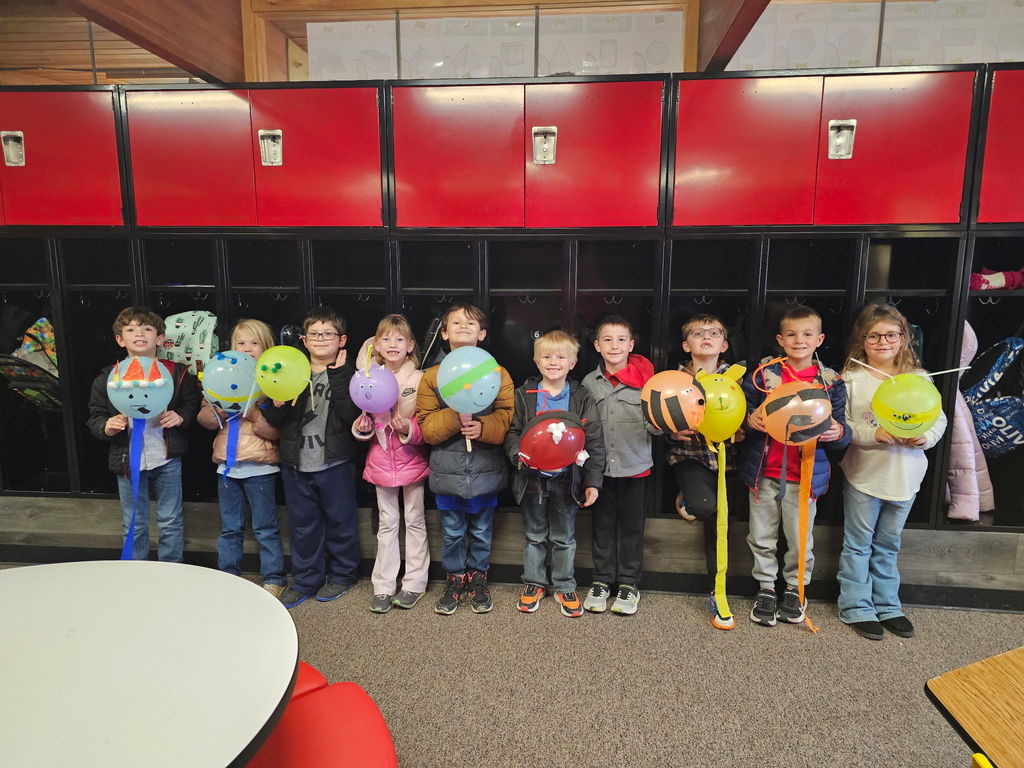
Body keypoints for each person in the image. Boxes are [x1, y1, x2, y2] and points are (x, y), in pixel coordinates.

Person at [838, 304, 947, 641]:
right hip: (864, 476)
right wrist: (873, 434)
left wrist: (924, 436)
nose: (882, 341)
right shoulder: (851, 379)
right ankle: (855, 606)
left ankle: (888, 605)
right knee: (858, 545)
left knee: (888, 544)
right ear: (862, 340)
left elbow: (938, 419)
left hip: (906, 478)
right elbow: (841, 426)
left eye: (890, 335)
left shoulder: (919, 379)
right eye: (874, 336)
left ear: (903, 338)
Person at [740, 305, 850, 627]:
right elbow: (742, 414)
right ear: (780, 339)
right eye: (791, 334)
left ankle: (795, 587)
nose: (798, 340)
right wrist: (750, 419)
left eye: (806, 334)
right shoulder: (764, 376)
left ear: (820, 339)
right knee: (760, 535)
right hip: (764, 473)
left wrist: (837, 432)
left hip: (804, 477)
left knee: (800, 538)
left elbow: (842, 432)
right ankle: (765, 588)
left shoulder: (830, 381)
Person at [416, 303, 513, 615]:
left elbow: (508, 418)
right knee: (453, 532)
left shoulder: (497, 373)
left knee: (482, 531)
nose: (462, 327)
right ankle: (455, 578)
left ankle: (478, 577)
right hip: (448, 472)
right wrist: (455, 417)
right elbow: (427, 428)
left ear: (481, 334)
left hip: (485, 470)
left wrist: (483, 427)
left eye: (470, 323)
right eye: (455, 323)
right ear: (444, 333)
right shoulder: (431, 377)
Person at [263, 309, 361, 609]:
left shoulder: (349, 373)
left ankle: (343, 575)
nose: (321, 339)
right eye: (314, 334)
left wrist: (338, 375)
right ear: (304, 340)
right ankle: (306, 579)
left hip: (335, 462)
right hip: (296, 463)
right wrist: (276, 404)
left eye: (328, 334)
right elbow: (276, 418)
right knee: (303, 525)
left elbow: (352, 416)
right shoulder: (290, 371)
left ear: (341, 340)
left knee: (341, 522)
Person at [87, 307, 200, 562]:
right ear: (120, 339)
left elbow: (191, 404)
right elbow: (94, 417)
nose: (140, 334)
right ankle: (135, 574)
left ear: (159, 338)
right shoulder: (108, 377)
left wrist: (181, 417)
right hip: (128, 460)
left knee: (170, 520)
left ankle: (172, 571)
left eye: (147, 329)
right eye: (130, 329)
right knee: (133, 523)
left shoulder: (176, 373)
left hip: (166, 458)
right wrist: (106, 425)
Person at [504, 330, 604, 618]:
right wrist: (517, 457)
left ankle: (564, 584)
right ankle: (534, 583)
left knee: (564, 536)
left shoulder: (582, 396)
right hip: (532, 478)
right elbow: (512, 432)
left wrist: (592, 482)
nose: (553, 362)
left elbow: (594, 439)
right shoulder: (524, 395)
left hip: (567, 478)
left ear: (573, 363)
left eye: (561, 357)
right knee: (534, 535)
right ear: (536, 361)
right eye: (546, 356)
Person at [197, 319, 286, 597]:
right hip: (227, 467)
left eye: (254, 343)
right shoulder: (220, 378)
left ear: (266, 347)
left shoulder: (272, 383)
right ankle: (228, 575)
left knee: (265, 527)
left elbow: (275, 432)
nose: (247, 348)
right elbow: (204, 419)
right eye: (241, 343)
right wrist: (217, 412)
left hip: (260, 468)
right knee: (230, 528)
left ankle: (274, 577)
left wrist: (253, 411)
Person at [667, 314, 743, 630]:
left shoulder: (737, 378)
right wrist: (670, 432)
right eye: (698, 333)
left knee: (722, 523)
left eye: (714, 333)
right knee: (705, 508)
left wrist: (740, 430)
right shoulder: (674, 379)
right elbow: (659, 418)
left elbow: (747, 419)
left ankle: (717, 590)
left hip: (728, 461)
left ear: (724, 344)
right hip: (690, 457)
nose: (706, 337)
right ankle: (689, 497)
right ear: (687, 345)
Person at [352, 314, 431, 613]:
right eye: (386, 339)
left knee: (415, 521)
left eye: (399, 339)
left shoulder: (419, 379)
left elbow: (427, 426)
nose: (393, 344)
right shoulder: (368, 379)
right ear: (376, 345)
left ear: (410, 345)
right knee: (386, 524)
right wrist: (361, 427)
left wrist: (407, 429)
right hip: (380, 459)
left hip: (411, 458)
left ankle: (414, 584)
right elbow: (366, 420)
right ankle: (383, 586)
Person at [581, 315, 657, 616]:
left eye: (621, 340)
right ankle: (601, 581)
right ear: (597, 345)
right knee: (602, 527)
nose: (615, 346)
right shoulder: (588, 382)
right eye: (608, 340)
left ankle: (628, 583)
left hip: (635, 466)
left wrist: (666, 423)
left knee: (632, 529)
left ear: (632, 345)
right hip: (600, 470)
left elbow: (657, 425)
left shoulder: (649, 383)